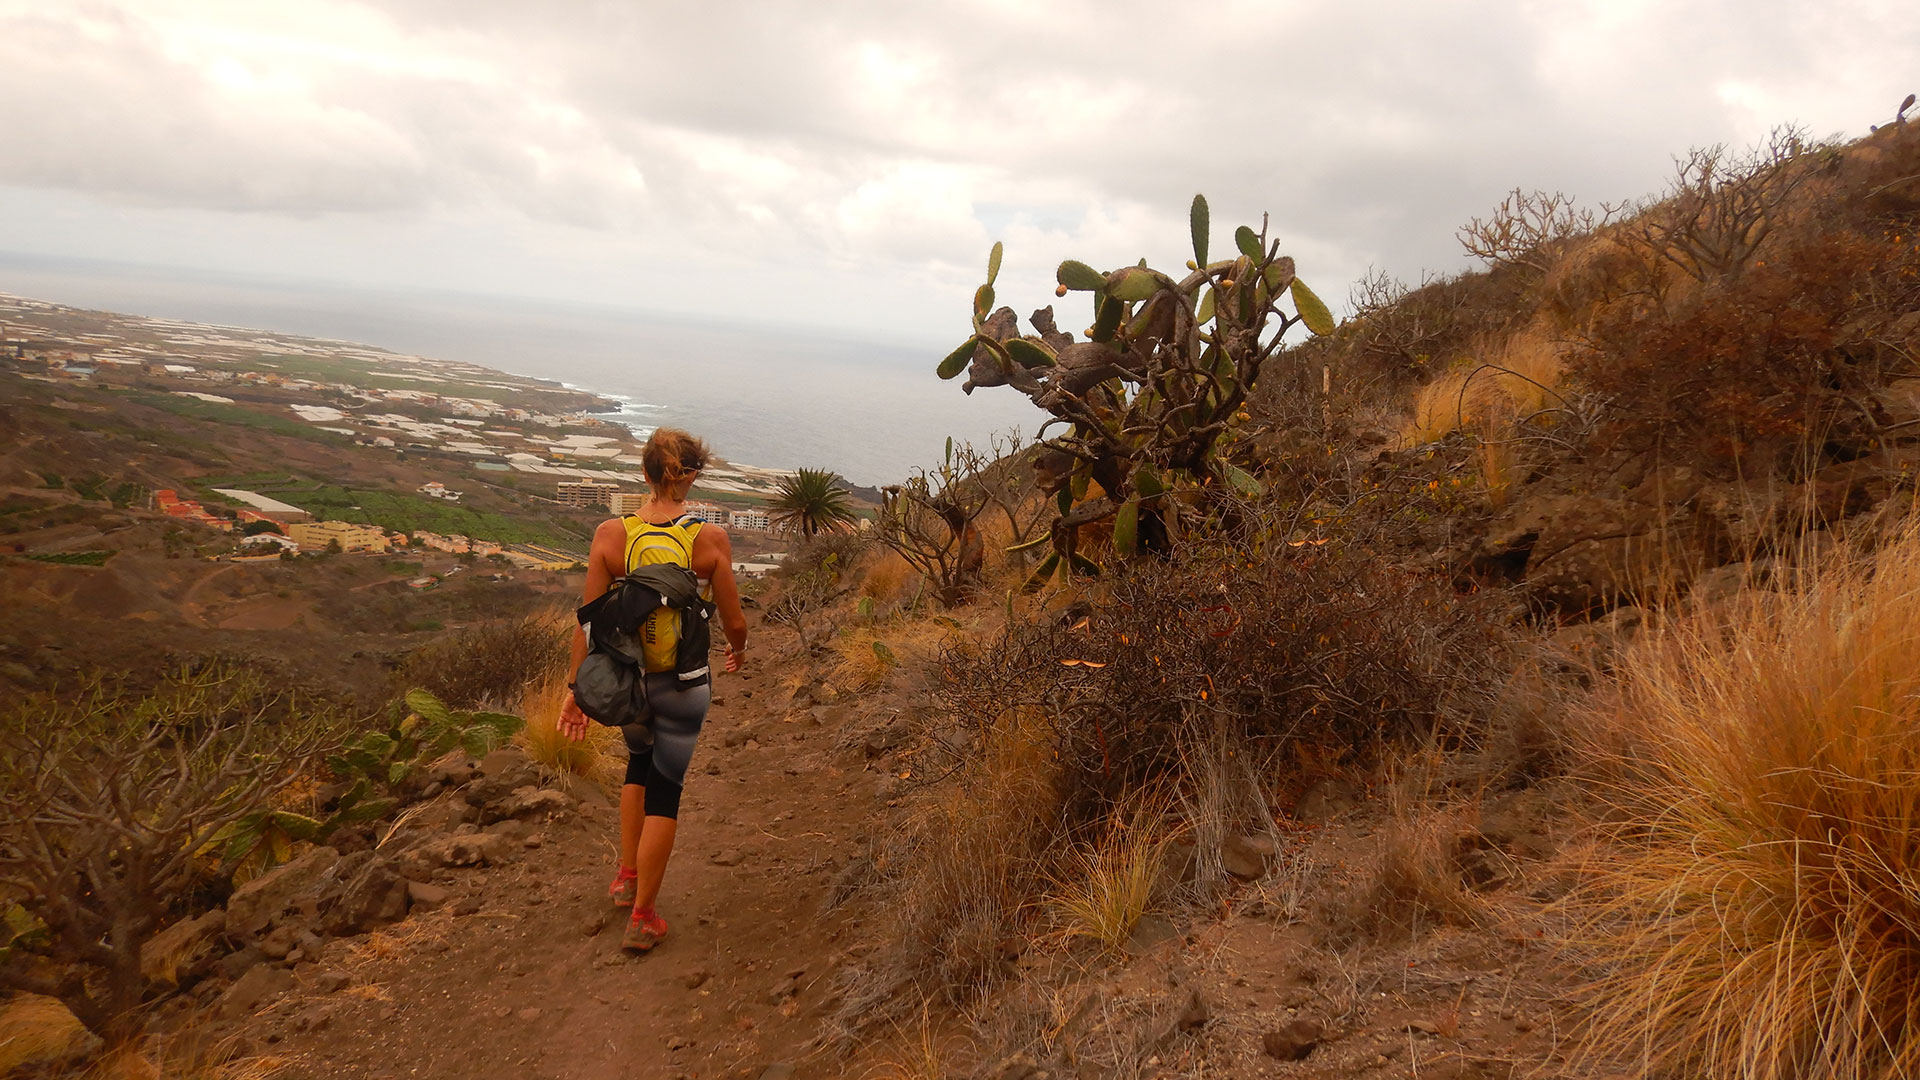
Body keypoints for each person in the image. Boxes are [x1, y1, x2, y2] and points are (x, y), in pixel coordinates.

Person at [558, 428, 748, 952]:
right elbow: (734, 621)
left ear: (644, 473)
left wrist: (576, 688)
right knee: (666, 787)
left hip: (627, 682)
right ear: (690, 476)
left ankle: (626, 878)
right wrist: (740, 649)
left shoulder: (609, 535)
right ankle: (643, 917)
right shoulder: (709, 540)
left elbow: (588, 626)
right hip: (683, 686)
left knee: (637, 767)